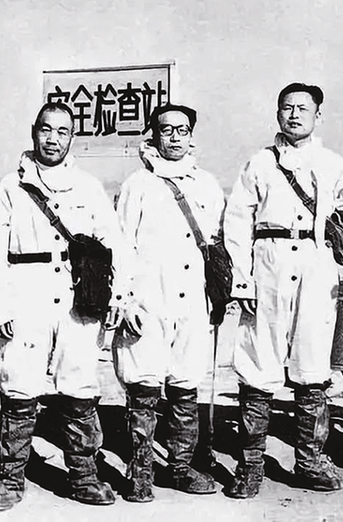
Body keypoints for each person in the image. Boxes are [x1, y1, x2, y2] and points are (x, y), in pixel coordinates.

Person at [222, 82, 343, 498]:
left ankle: (310, 461)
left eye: (303, 108)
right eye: (287, 107)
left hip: (316, 265)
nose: (294, 115)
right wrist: (242, 277)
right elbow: (236, 222)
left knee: (312, 365)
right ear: (277, 114)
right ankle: (250, 466)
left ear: (318, 116)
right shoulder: (259, 163)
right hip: (268, 263)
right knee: (258, 363)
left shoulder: (333, 164)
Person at [0, 102, 137, 511]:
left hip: (76, 297)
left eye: (62, 131)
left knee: (80, 385)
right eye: (46, 130)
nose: (53, 139)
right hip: (24, 296)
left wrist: (118, 295)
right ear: (34, 132)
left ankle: (83, 475)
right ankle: (10, 477)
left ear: (72, 138)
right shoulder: (10, 188)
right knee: (19, 386)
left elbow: (116, 244)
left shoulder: (87, 187)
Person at [113, 103, 225, 502]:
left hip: (192, 300)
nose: (175, 137)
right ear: (153, 135)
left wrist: (217, 294)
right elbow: (121, 245)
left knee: (185, 384)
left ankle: (179, 466)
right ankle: (140, 471)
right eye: (166, 130)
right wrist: (125, 301)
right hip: (148, 301)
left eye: (182, 130)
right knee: (143, 384)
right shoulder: (138, 185)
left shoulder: (207, 184)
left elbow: (216, 244)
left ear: (191, 136)